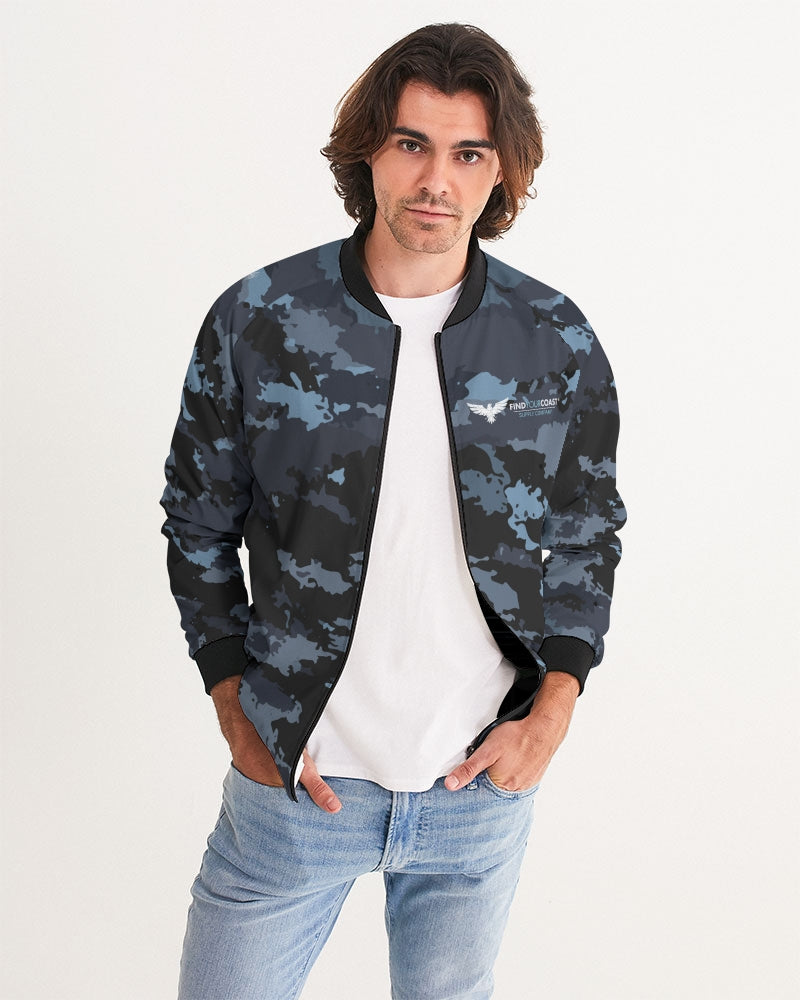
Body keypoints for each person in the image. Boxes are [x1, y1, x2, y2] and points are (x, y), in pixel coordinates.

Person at [161, 22, 625, 1000]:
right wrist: (235, 705)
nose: (435, 181)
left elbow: (587, 530)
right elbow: (197, 521)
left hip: (476, 789)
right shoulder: (260, 318)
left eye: (468, 153)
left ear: (501, 171)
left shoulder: (553, 338)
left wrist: (551, 712)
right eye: (412, 143)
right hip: (299, 783)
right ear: (368, 150)